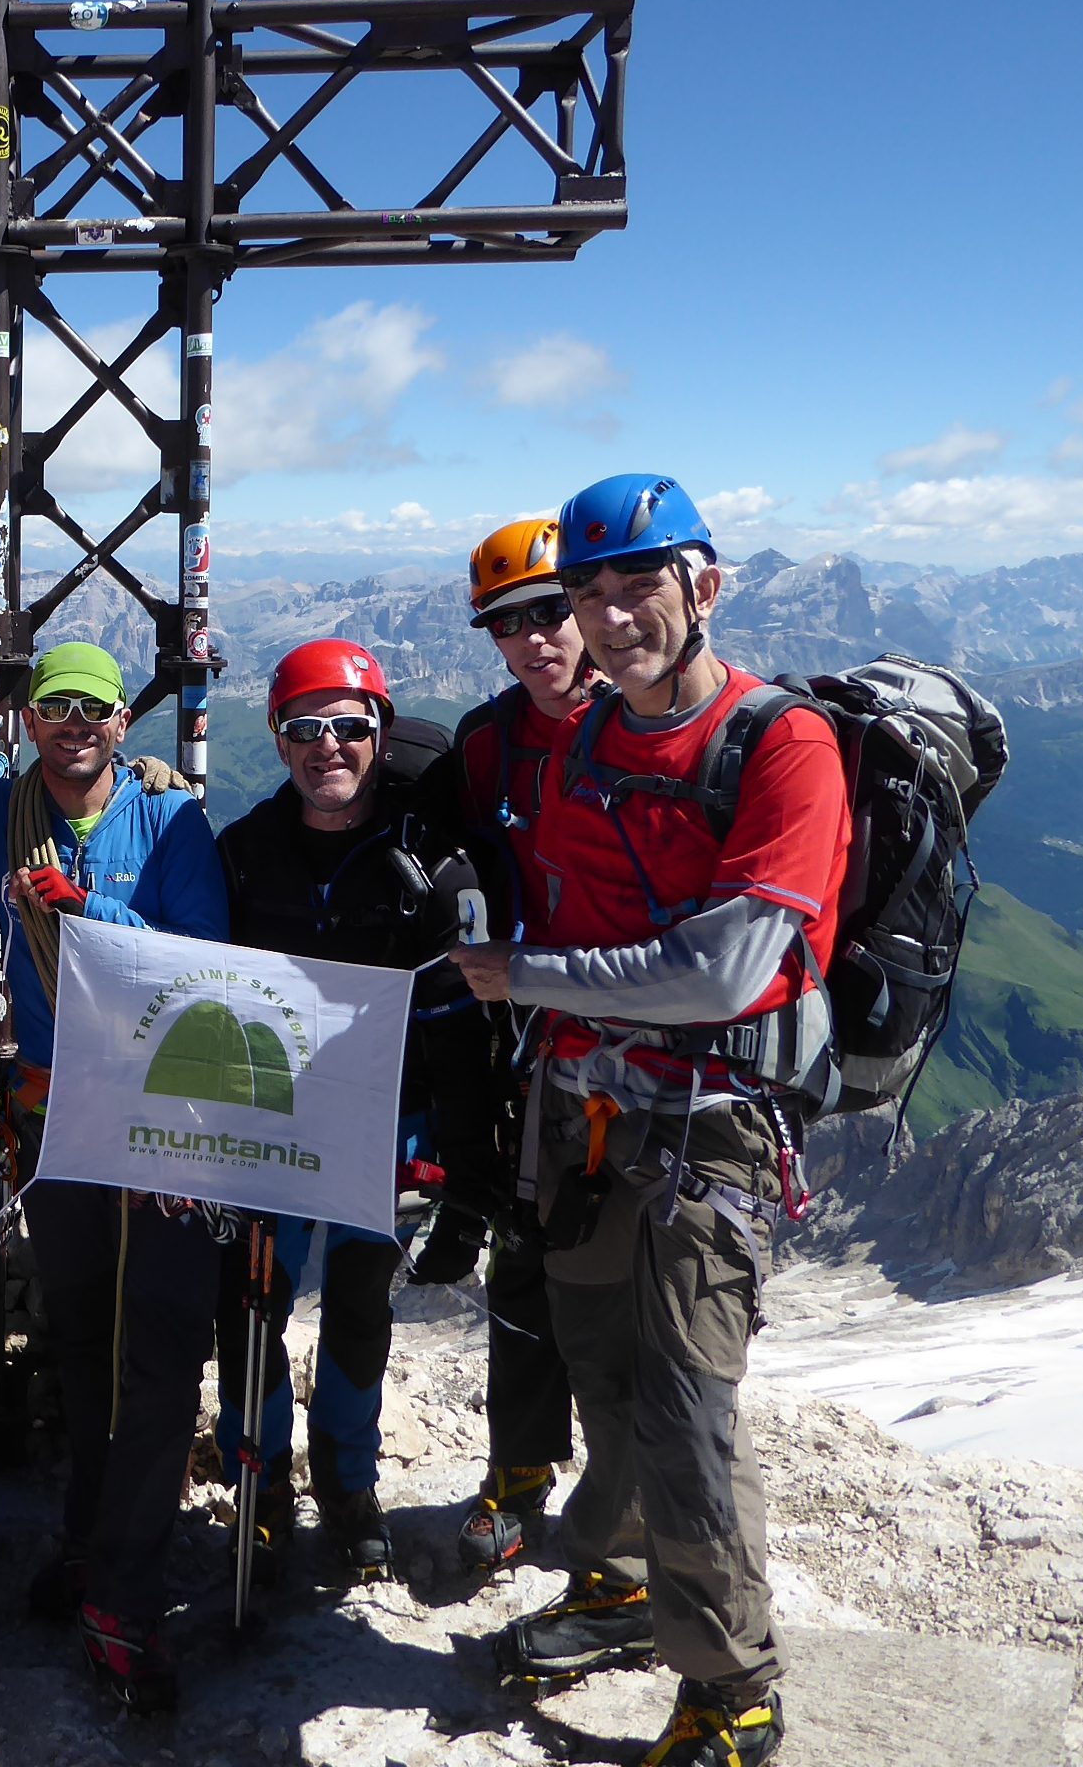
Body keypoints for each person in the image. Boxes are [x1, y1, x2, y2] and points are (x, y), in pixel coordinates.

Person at [453, 475, 848, 1767]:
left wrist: (533, 982)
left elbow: (725, 972)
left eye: (638, 588)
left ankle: (733, 1694)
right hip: (583, 1116)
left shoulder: (781, 747)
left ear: (704, 587)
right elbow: (571, 906)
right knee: (604, 1373)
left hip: (712, 1130)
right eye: (590, 594)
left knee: (686, 1407)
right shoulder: (579, 744)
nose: (610, 618)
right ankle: (621, 1583)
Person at [0, 639, 231, 1714]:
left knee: (163, 1349)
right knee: (86, 1343)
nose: (76, 725)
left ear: (122, 723)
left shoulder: (168, 821)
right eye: (56, 708)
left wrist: (92, 912)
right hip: (55, 1122)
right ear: (27, 721)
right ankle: (95, 1549)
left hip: (166, 1115)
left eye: (95, 708)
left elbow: (206, 965)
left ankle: (125, 1590)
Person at [211, 640, 491, 1587]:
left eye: (348, 726)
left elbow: (464, 1027)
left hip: (391, 1120)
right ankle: (262, 1482)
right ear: (278, 738)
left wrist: (465, 1178)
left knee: (361, 1309)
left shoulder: (430, 867)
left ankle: (346, 1481)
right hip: (271, 1120)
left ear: (379, 732)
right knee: (253, 1305)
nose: (327, 745)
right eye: (305, 728)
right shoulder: (244, 854)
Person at [435, 519, 594, 1574]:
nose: (535, 639)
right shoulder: (488, 743)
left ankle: (625, 1520)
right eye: (508, 623)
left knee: (632, 1290)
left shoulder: (660, 727)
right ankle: (522, 1470)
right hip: (535, 1047)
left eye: (551, 612)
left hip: (663, 1049)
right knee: (526, 1258)